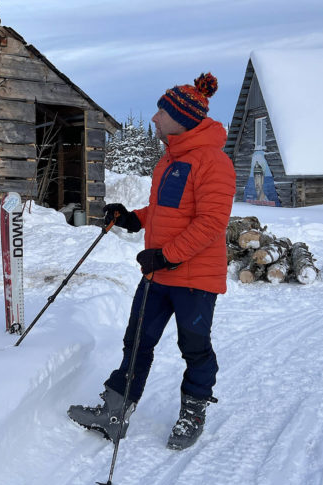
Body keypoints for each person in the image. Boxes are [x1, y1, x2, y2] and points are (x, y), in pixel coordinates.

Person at [68, 73, 236, 450]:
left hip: (194, 278)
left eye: (162, 111)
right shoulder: (169, 160)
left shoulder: (213, 162)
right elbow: (165, 211)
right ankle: (114, 411)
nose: (155, 118)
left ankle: (192, 411)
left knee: (193, 347)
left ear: (181, 117)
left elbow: (211, 223)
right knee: (137, 342)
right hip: (158, 274)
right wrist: (134, 218)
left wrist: (167, 255)